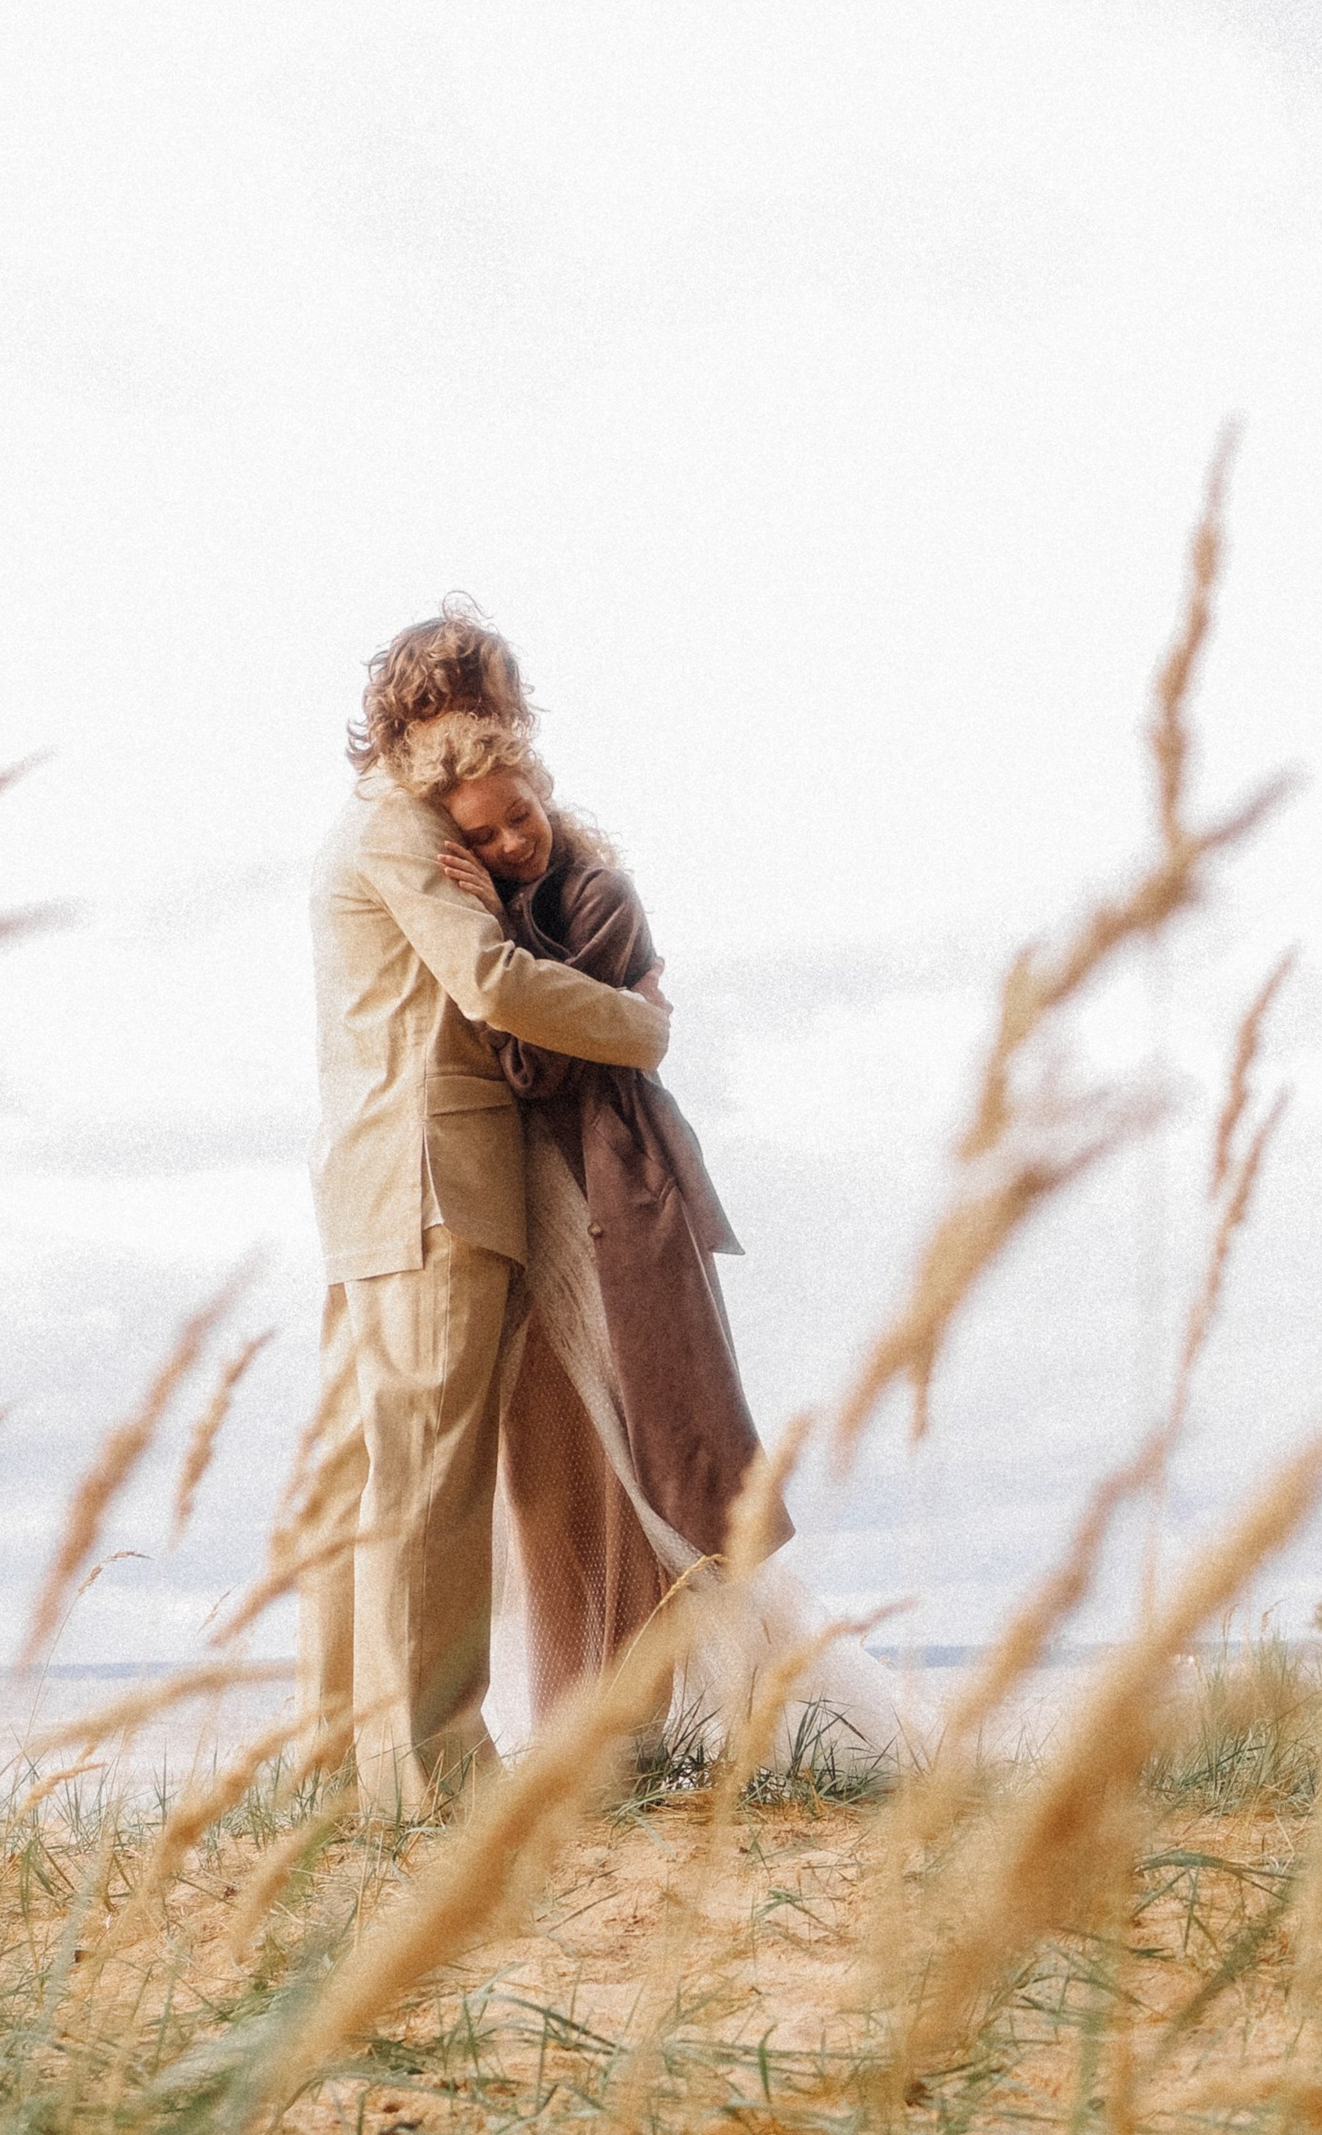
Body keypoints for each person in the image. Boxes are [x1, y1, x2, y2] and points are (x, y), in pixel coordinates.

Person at [397, 711, 903, 1773]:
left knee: (645, 1466)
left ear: (542, 790)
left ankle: (650, 1727)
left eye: (517, 817)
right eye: (481, 838)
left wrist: (489, 927)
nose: (507, 845)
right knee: (552, 1468)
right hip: (543, 1207)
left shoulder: (594, 894)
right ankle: (588, 1727)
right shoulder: (523, 900)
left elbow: (542, 1067)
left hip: (611, 1198)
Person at [301, 603, 672, 1818]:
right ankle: (435, 1777)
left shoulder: (376, 830)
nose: (482, 727)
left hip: (380, 1178)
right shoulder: (402, 835)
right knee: (430, 1482)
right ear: (407, 722)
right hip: (433, 1183)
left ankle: (347, 1762)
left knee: (373, 1478)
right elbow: (490, 981)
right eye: (465, 705)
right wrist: (642, 1026)